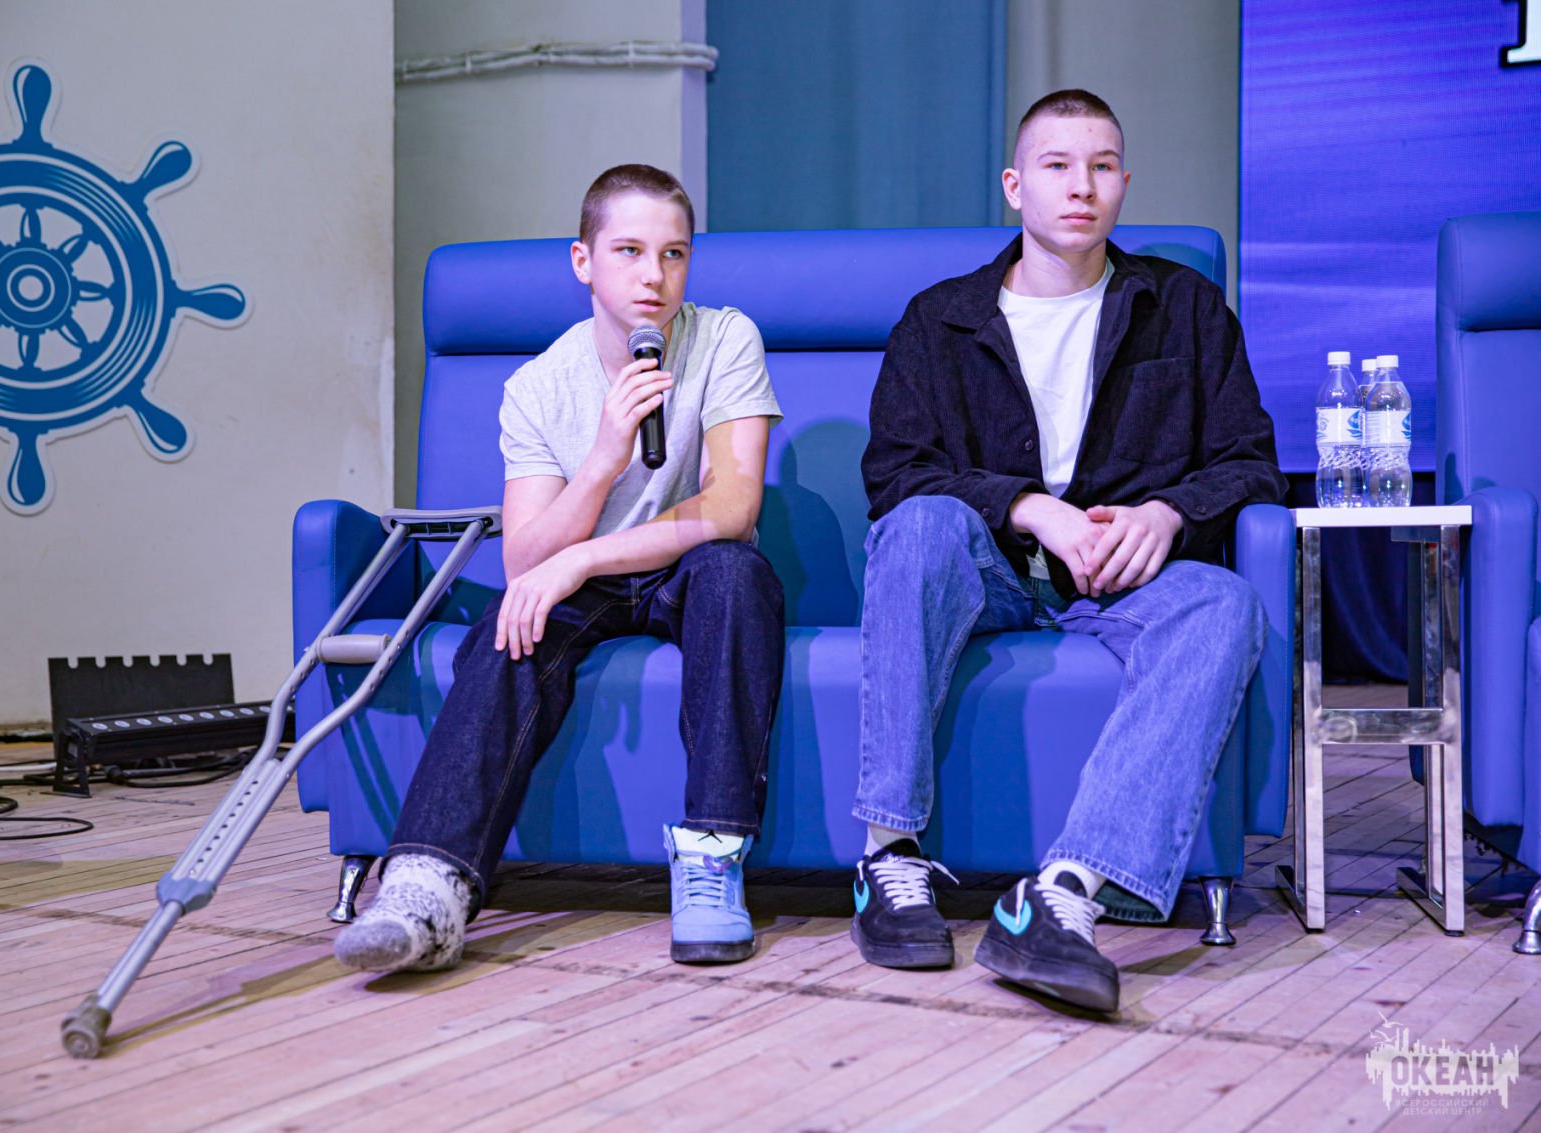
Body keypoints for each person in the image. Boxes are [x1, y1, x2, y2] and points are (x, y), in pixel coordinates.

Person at [849, 90, 1287, 1013]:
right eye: (1057, 166)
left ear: (1124, 183)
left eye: (1101, 167)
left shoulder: (1184, 306)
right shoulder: (939, 320)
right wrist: (1027, 508)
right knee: (919, 524)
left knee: (1225, 603)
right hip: (996, 576)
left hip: (1129, 582)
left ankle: (1061, 897)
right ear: (1016, 186)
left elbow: (1250, 461)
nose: (1081, 186)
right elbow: (894, 475)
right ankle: (888, 858)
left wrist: (1169, 513)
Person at [335, 164, 785, 973]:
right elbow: (525, 558)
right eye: (629, 251)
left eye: (674, 254)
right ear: (584, 260)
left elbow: (732, 506)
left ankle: (712, 859)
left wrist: (581, 556)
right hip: (586, 583)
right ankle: (427, 887)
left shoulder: (724, 339)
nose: (654, 276)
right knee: (511, 622)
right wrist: (605, 459)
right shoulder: (538, 385)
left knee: (736, 574)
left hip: (682, 564)